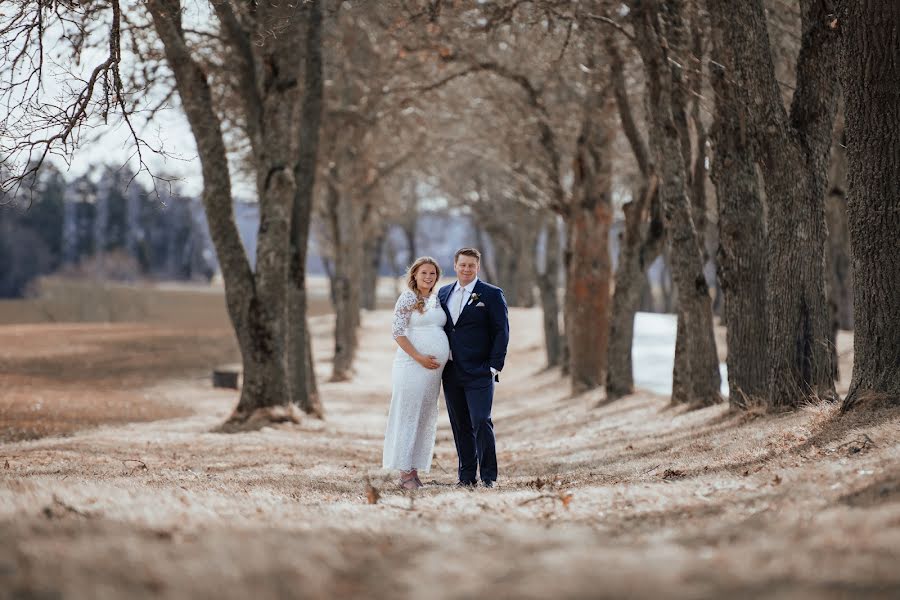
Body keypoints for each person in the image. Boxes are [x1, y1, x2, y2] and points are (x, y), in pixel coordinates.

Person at [438, 247, 509, 488]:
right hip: (450, 371)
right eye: (462, 265)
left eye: (471, 265)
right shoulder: (443, 293)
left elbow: (501, 331)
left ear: (477, 267)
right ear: (455, 265)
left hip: (480, 371)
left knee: (481, 421)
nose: (466, 269)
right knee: (460, 426)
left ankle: (489, 477)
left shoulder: (491, 294)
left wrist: (494, 366)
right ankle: (466, 477)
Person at [382, 256, 450, 489]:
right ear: (414, 275)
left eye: (432, 274)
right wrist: (420, 357)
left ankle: (414, 471)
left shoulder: (436, 299)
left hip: (432, 374)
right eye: (424, 273)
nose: (428, 277)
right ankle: (404, 475)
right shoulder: (408, 297)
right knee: (408, 416)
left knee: (423, 418)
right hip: (412, 366)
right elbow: (398, 333)